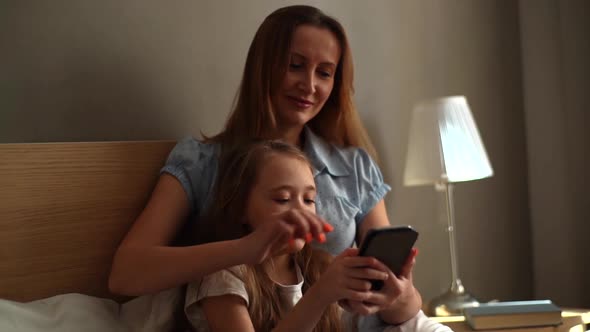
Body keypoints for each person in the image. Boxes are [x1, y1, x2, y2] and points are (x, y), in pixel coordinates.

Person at [109, 4, 422, 325]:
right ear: (263, 67)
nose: (310, 85)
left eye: (325, 73)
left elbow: (402, 309)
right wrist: (245, 249)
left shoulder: (354, 165)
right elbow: (126, 274)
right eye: (295, 65)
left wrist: (398, 294)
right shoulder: (202, 162)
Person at [184, 140, 450, 332]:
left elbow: (389, 318)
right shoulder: (224, 276)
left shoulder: (316, 266)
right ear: (241, 207)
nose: (300, 210)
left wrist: (385, 287)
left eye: (309, 199)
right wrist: (321, 294)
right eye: (283, 199)